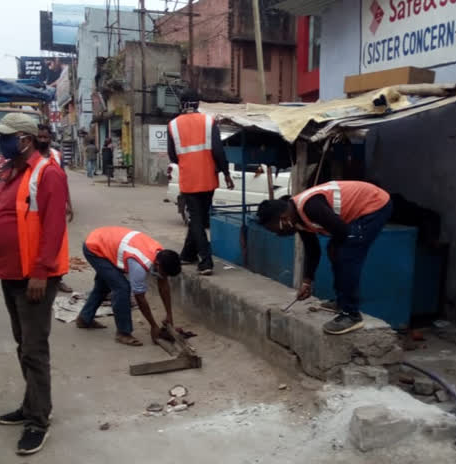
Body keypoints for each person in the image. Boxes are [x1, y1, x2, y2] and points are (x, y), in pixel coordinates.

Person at [0, 113, 69, 456]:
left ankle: (38, 419)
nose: (0, 141)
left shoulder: (47, 174)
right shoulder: (10, 173)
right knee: (23, 344)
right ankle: (31, 403)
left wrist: (41, 272)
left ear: (25, 139)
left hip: (34, 277)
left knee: (34, 348)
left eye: (7, 136)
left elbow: (53, 228)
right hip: (11, 273)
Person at [256, 180, 392, 335]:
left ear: (283, 218)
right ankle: (341, 301)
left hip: (374, 204)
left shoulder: (310, 207)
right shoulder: (297, 218)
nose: (278, 234)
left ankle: (351, 314)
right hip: (360, 209)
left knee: (347, 254)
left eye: (276, 230)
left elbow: (343, 232)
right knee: (335, 250)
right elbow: (312, 249)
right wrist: (307, 281)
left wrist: (337, 250)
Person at [76, 227, 181, 347]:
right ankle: (123, 333)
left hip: (105, 241)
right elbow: (140, 298)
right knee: (121, 288)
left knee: (104, 284)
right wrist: (153, 326)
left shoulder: (161, 255)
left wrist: (169, 315)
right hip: (95, 247)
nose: (164, 277)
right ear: (157, 265)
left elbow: (164, 285)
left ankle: (84, 319)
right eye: (164, 273)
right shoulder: (139, 266)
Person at [167, 90, 234, 276]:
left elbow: (173, 155)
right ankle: (188, 254)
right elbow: (219, 152)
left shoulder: (172, 125)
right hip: (208, 178)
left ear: (182, 104)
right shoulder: (208, 121)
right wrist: (226, 173)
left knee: (197, 219)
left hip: (189, 179)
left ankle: (205, 261)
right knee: (200, 218)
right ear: (197, 104)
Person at [36, 124, 74, 294]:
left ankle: (58, 278)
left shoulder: (57, 156)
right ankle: (37, 275)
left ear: (51, 138)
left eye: (46, 137)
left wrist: (69, 203)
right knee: (37, 243)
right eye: (40, 137)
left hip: (54, 205)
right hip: (34, 206)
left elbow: (63, 180)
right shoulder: (30, 156)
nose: (43, 140)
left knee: (57, 242)